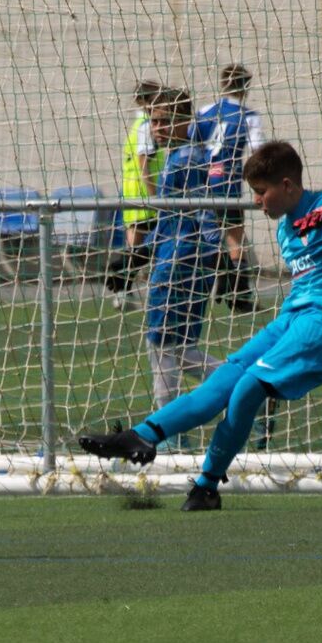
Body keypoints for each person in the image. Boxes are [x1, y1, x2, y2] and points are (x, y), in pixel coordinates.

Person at [79, 141, 322, 511]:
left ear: (287, 185)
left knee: (249, 387)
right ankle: (142, 436)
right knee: (227, 376)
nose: (257, 201)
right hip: (295, 317)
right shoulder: (285, 229)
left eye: (261, 192)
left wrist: (320, 217)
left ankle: (206, 485)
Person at [141, 91, 223, 420]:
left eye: (164, 121)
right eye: (154, 120)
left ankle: (164, 427)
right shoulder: (184, 156)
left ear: (184, 122)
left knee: (159, 345)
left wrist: (211, 251)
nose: (157, 127)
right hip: (183, 257)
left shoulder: (185, 159)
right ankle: (248, 389)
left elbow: (201, 211)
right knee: (182, 349)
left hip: (178, 262)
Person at [188, 64, 265, 313]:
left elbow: (191, 142)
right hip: (228, 183)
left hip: (202, 183)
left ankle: (211, 285)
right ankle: (238, 293)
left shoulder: (204, 111)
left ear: (223, 85)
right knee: (234, 236)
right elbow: (258, 153)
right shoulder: (248, 116)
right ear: (245, 86)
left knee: (204, 235)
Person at [105, 80, 167, 310]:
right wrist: (154, 196)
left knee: (136, 247)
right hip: (144, 193)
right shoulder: (145, 125)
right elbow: (143, 161)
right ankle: (120, 273)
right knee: (156, 243)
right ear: (148, 101)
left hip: (132, 192)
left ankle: (122, 293)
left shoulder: (138, 123)